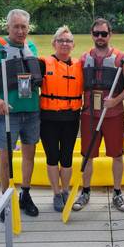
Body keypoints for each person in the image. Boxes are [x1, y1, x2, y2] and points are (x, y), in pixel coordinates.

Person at [0, 9, 42, 217]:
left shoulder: (31, 46)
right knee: (5, 159)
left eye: (24, 27)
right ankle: (5, 199)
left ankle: (26, 194)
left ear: (28, 28)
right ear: (8, 27)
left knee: (29, 156)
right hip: (8, 114)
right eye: (16, 27)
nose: (20, 31)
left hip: (31, 111)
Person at [73, 18, 124, 212]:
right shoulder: (83, 59)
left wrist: (116, 101)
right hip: (89, 115)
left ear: (110, 34)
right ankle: (85, 191)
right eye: (96, 33)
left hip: (113, 114)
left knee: (117, 155)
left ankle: (117, 193)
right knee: (87, 156)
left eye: (104, 33)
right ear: (92, 35)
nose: (100, 37)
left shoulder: (121, 59)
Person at [39, 26, 83, 212]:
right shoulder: (42, 64)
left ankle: (65, 190)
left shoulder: (80, 66)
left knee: (66, 157)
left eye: (68, 41)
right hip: (48, 119)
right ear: (54, 43)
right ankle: (56, 193)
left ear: (73, 45)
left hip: (71, 118)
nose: (64, 44)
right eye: (61, 40)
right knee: (52, 157)